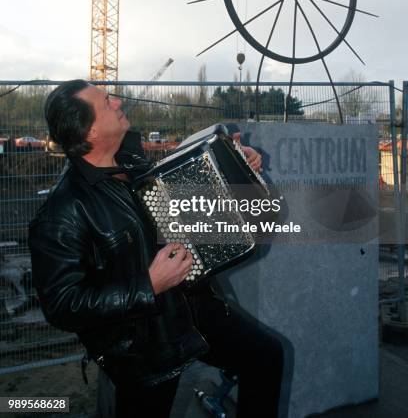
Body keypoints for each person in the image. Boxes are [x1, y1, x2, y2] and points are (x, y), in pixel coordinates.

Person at [29, 80, 284, 418]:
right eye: (107, 103)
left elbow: (177, 206)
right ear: (89, 131)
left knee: (267, 357)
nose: (118, 103)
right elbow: (63, 305)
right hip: (142, 345)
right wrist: (148, 286)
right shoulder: (62, 212)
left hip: (193, 308)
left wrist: (235, 163)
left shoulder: (133, 164)